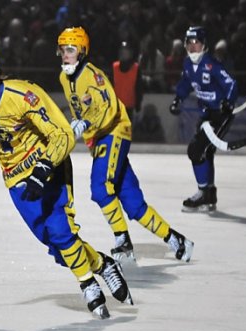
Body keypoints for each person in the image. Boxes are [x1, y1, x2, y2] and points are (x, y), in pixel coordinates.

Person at [0, 41, 131, 319]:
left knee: (61, 231)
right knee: (55, 243)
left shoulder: (22, 94)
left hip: (49, 167)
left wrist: (42, 169)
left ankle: (87, 285)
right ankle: (101, 263)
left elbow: (62, 134)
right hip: (16, 180)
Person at [56, 27, 194, 265]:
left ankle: (123, 241)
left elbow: (107, 108)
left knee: (100, 187)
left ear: (82, 51)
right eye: (62, 50)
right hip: (99, 138)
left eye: (70, 49)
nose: (65, 54)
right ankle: (177, 241)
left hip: (113, 130)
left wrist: (86, 123)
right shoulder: (64, 78)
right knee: (133, 204)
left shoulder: (92, 75)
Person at [169, 26, 238, 212]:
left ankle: (202, 193)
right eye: (189, 43)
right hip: (206, 114)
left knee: (196, 150)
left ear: (204, 45)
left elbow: (231, 84)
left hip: (219, 115)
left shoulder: (211, 64)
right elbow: (185, 83)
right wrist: (178, 99)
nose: (192, 47)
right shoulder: (187, 64)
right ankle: (209, 194)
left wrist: (228, 102)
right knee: (206, 152)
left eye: (196, 43)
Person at [112, 41, 143, 122]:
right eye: (121, 51)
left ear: (131, 54)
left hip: (129, 108)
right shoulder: (114, 67)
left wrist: (138, 107)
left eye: (126, 51)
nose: (123, 54)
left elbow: (139, 89)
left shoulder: (136, 69)